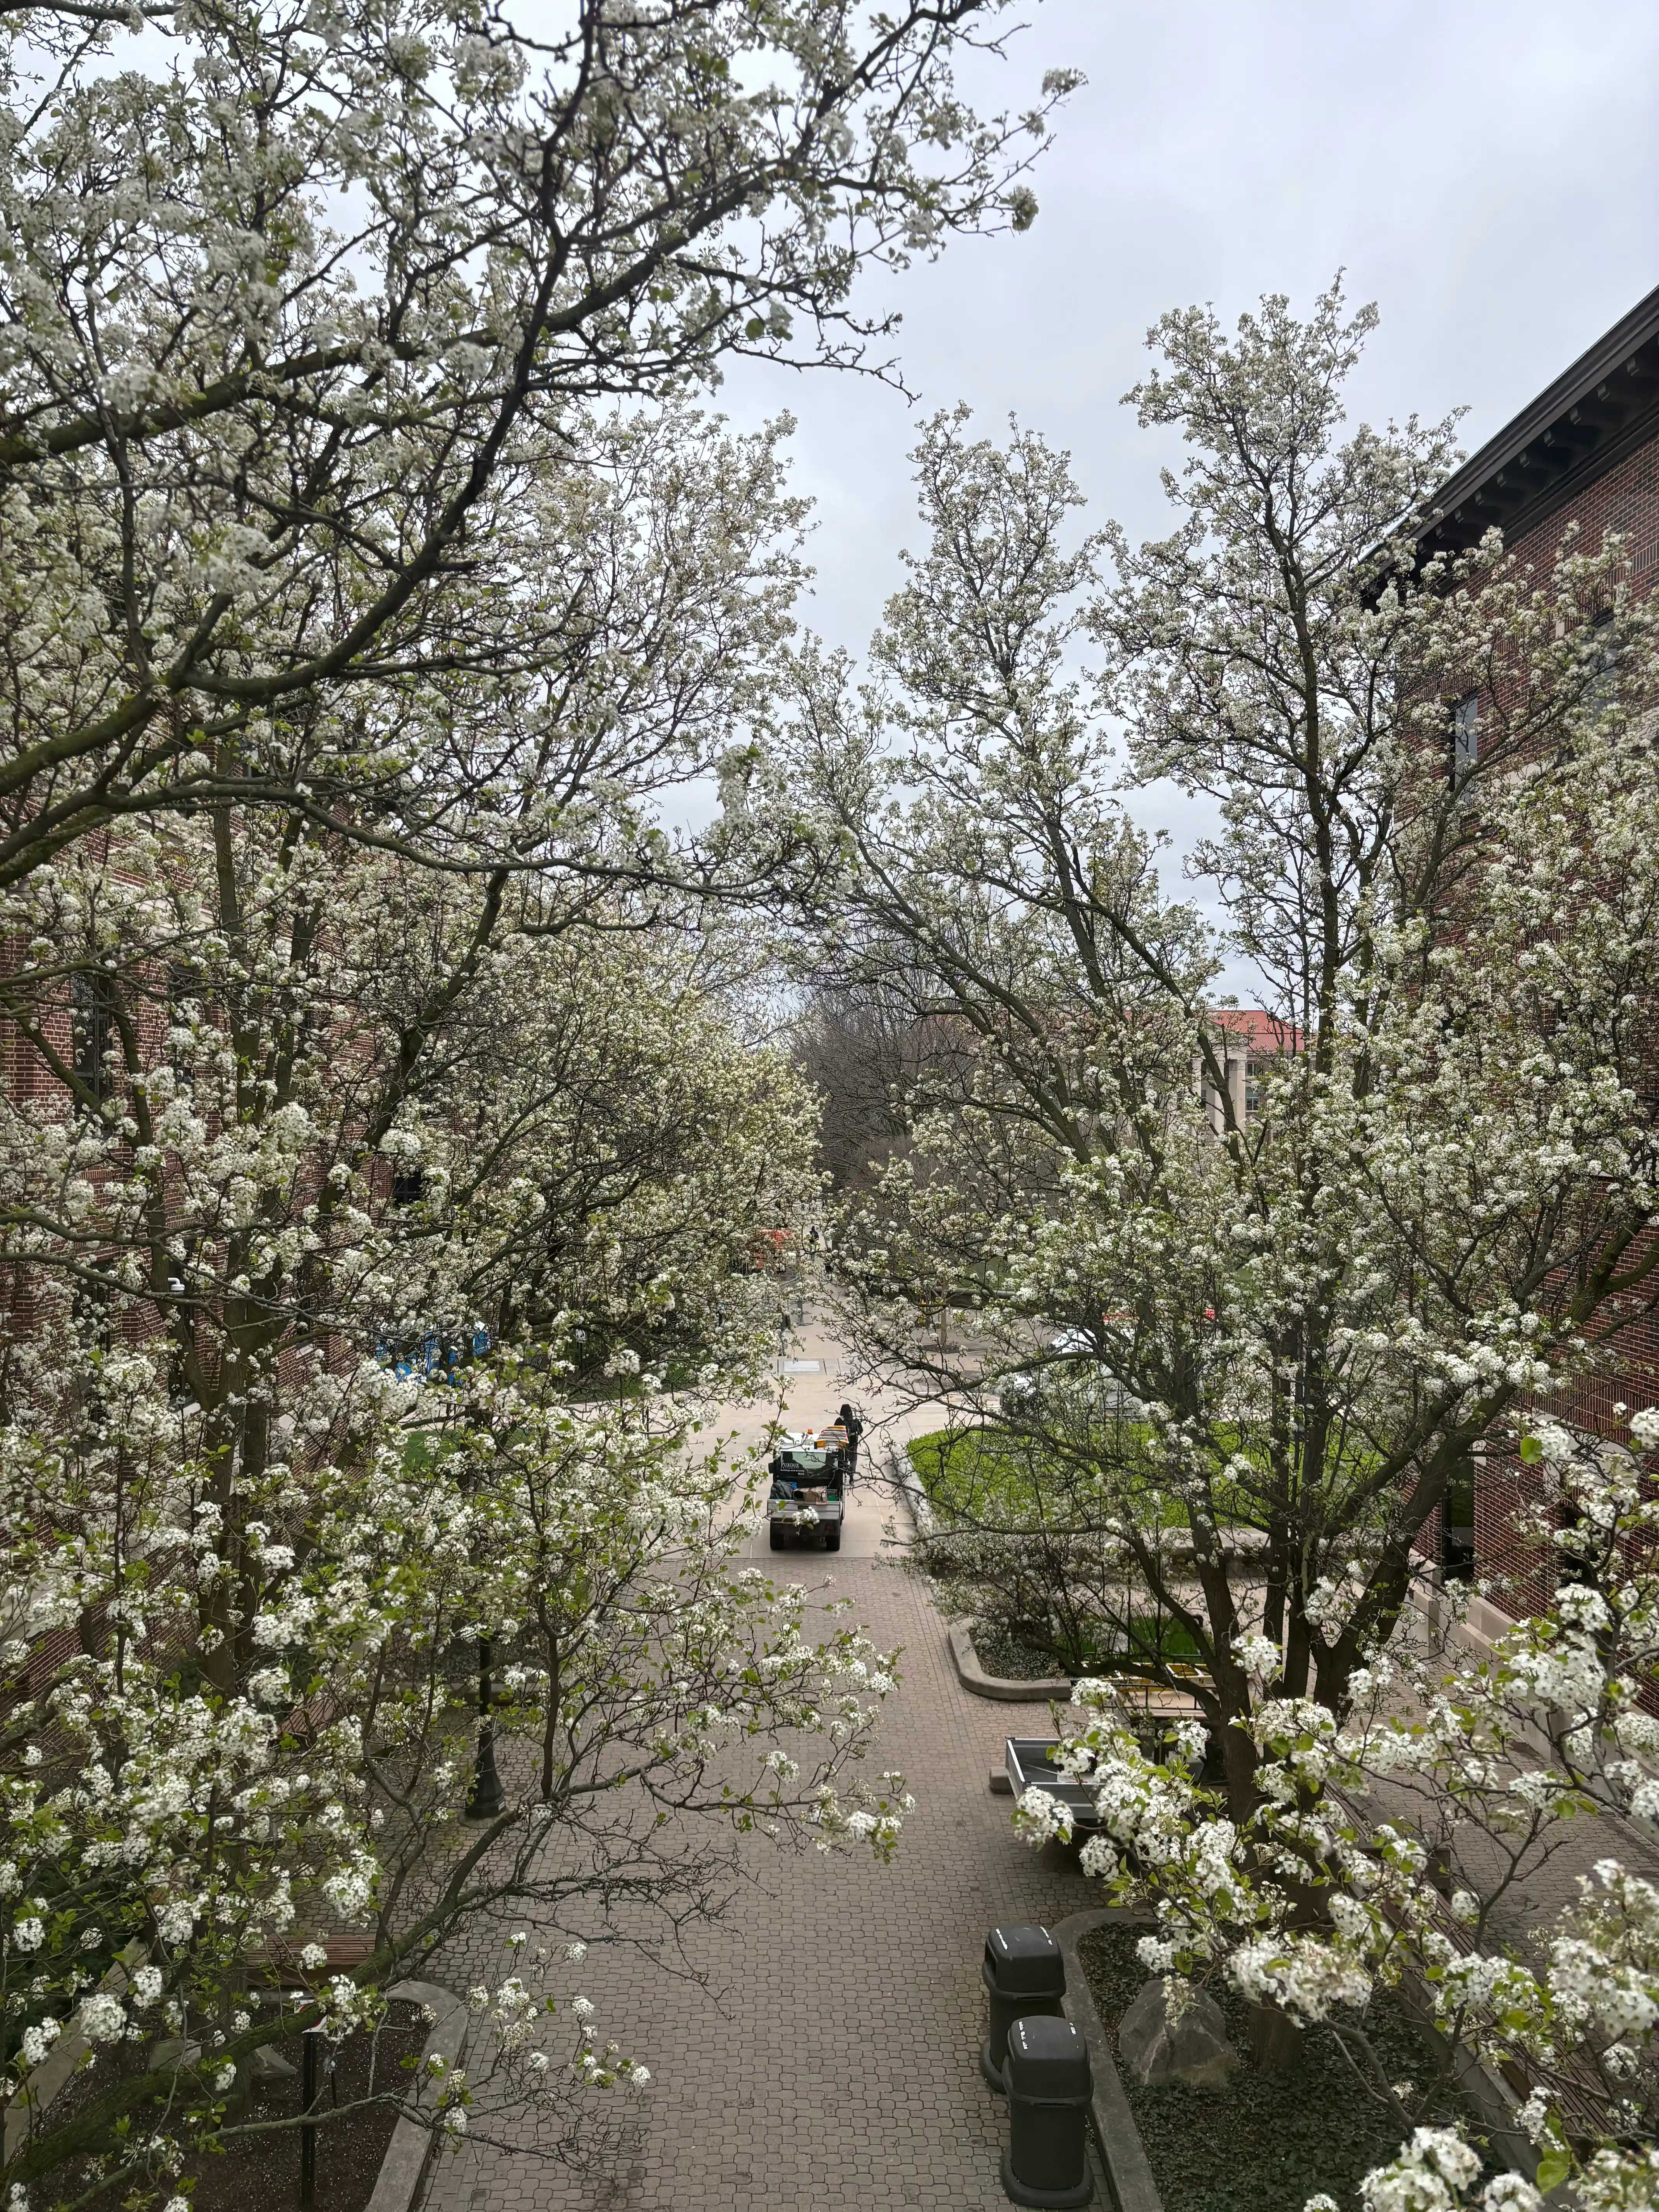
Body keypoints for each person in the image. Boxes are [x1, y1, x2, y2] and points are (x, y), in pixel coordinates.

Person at [838, 1401, 864, 1486]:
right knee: (841, 1460)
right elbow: (835, 1430)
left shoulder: (855, 1421)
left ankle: (851, 1476)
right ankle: (841, 1475)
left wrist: (854, 1434)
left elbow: (861, 1430)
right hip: (842, 1445)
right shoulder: (839, 1421)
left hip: (853, 1444)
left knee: (853, 1460)